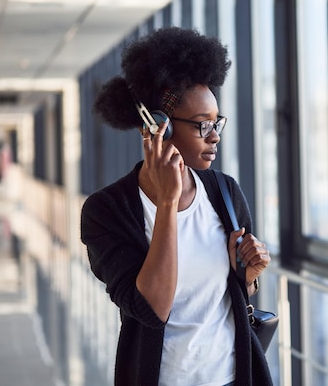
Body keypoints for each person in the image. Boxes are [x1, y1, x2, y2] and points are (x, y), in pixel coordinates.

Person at [80, 27, 273, 386]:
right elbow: (152, 308)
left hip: (232, 376)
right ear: (158, 127)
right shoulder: (106, 211)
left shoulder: (224, 192)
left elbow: (229, 295)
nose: (215, 135)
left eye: (216, 122)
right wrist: (167, 204)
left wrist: (248, 276)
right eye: (202, 125)